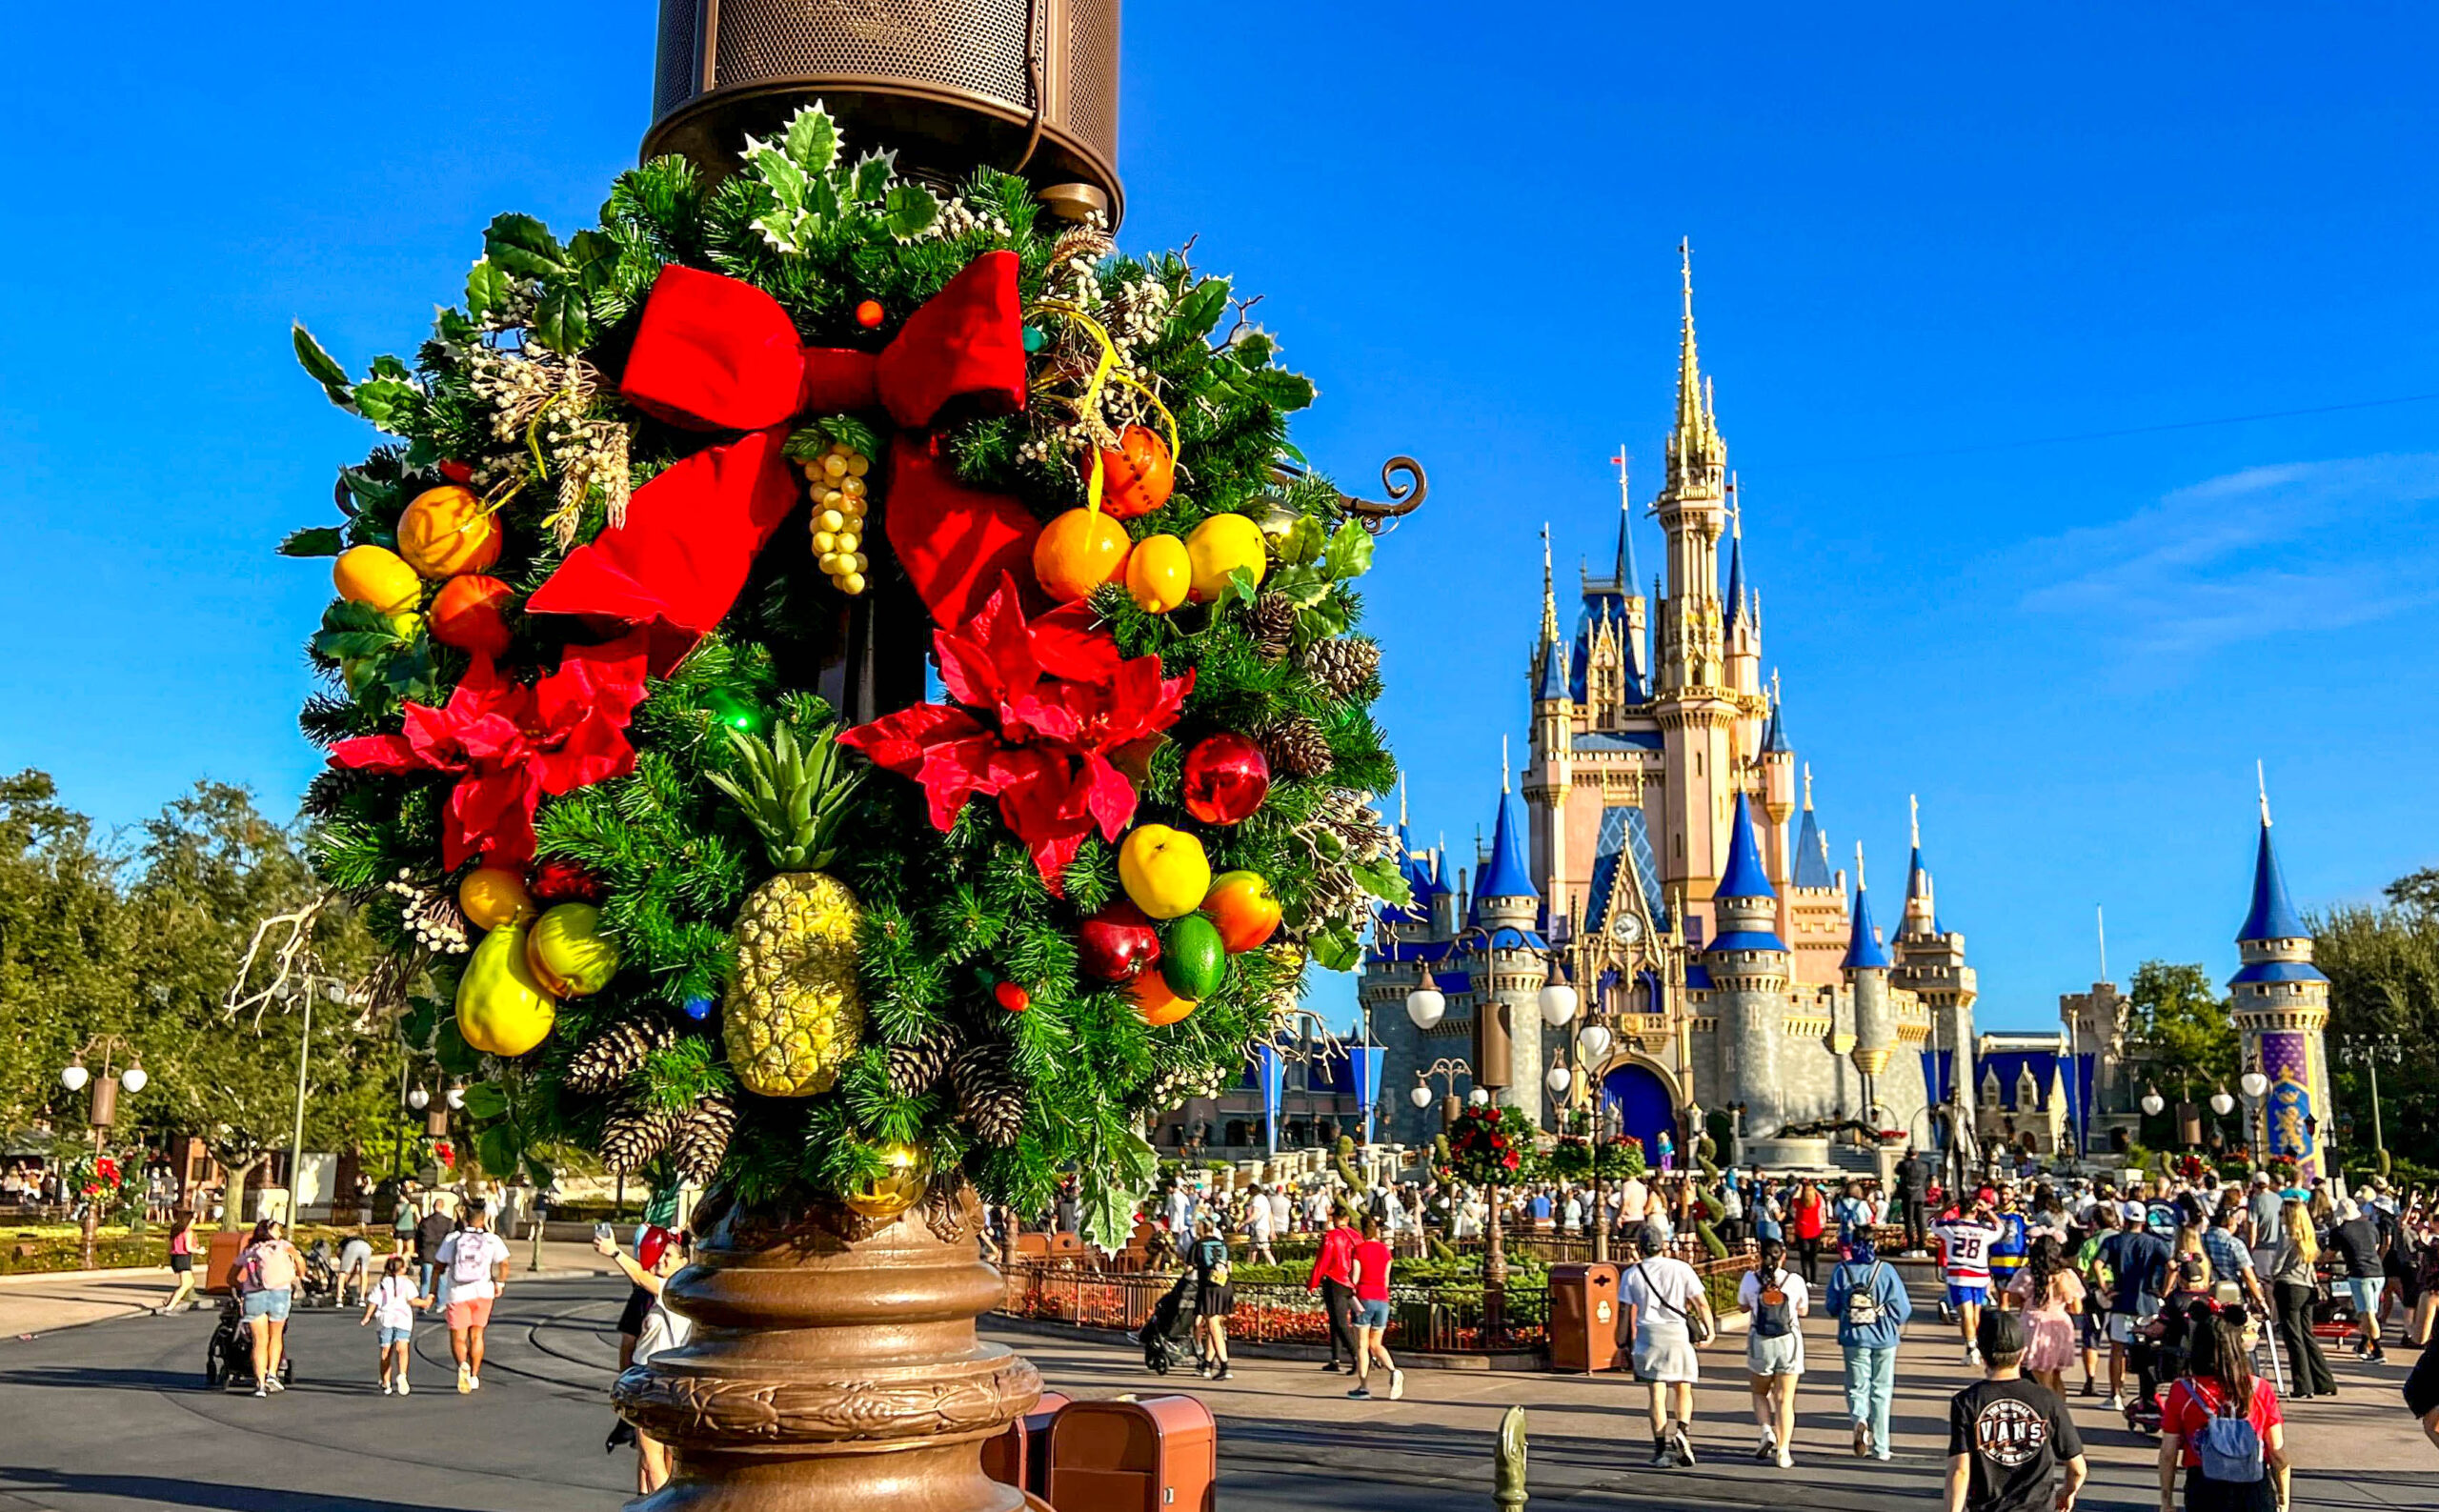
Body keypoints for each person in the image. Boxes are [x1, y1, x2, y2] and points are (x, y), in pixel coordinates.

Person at [1945, 1311, 2087, 1512]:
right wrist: (2067, 1491)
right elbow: (2077, 1468)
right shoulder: (2047, 1400)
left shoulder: (1967, 1402)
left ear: (1983, 1354)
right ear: (2023, 1353)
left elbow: (1960, 1470)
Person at [2158, 1312, 2288, 1512]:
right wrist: (2282, 1500)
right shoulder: (2258, 1388)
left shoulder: (2183, 1391)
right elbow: (2277, 1453)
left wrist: (2166, 1500)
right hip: (2253, 1485)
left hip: (2204, 1486)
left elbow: (2168, 1453)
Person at [595, 1228, 692, 1493]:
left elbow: (639, 1276)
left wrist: (614, 1252)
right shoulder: (684, 1293)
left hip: (658, 1378)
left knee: (656, 1455)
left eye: (669, 1256)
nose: (661, 1260)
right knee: (652, 1453)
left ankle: (663, 1505)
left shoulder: (674, 1290)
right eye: (660, 1255)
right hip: (660, 1376)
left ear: (685, 1263)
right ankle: (647, 1498)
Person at [1621, 1220, 1709, 1469]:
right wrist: (1708, 1330)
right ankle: (1682, 1432)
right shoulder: (1681, 1268)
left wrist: (1621, 1341)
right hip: (1677, 1333)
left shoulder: (1632, 1274)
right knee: (1683, 1388)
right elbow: (1701, 1303)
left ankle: (1659, 1451)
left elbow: (1625, 1312)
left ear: (1639, 1248)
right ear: (1663, 1246)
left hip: (1649, 1334)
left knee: (1656, 1394)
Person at [1827, 1232, 1911, 1461]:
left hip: (1853, 1336)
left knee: (1857, 1386)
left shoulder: (1841, 1270)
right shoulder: (1885, 1270)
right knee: (1882, 1390)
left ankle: (1860, 1420)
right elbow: (1903, 1310)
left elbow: (1831, 1306)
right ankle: (1881, 1447)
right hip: (1884, 1336)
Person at [1739, 1236, 1809, 1467]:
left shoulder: (1750, 1279)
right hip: (1789, 1342)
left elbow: (1742, 1306)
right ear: (1783, 1256)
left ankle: (1766, 1431)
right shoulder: (1794, 1280)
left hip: (1760, 1341)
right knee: (1784, 1399)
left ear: (1760, 1256)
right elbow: (1803, 1310)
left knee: (1759, 1392)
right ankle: (1784, 1451)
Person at [2099, 1202, 2171, 1409]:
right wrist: (2164, 1291)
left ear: (2125, 1219)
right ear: (2144, 1221)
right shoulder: (2154, 1243)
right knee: (2149, 1349)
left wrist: (2106, 1289)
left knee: (2117, 1349)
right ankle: (2148, 1394)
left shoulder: (2113, 1241)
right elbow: (2172, 1266)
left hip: (2122, 1301)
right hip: (2148, 1302)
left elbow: (2097, 1264)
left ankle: (2115, 1395)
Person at [435, 1200, 512, 1393]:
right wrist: (500, 1283)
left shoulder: (453, 1238)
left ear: (464, 1218)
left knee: (458, 1338)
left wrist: (431, 1291)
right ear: (484, 1218)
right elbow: (504, 1264)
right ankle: (475, 1376)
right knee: (477, 1336)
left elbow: (438, 1266)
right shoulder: (492, 1240)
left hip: (457, 1293)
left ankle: (462, 1364)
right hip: (483, 1292)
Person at [2267, 1199, 2337, 1398]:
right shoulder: (2308, 1238)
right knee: (2307, 1334)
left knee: (2293, 1337)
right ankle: (2324, 1381)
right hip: (2306, 1287)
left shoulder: (2288, 1237)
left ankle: (2303, 1385)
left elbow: (2277, 1266)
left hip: (2288, 1286)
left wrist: (2270, 1276)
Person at [2007, 1235, 2086, 1397]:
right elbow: (2077, 1308)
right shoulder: (2067, 1275)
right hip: (2060, 1324)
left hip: (2033, 1324)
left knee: (2041, 1378)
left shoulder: (2026, 1274)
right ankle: (2059, 1412)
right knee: (2056, 1376)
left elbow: (2013, 1300)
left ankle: (2049, 1414)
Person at [235, 1218, 303, 1399]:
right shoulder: (283, 1246)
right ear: (270, 1232)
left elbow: (232, 1276)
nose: (280, 1233)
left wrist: (242, 1288)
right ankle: (272, 1375)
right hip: (279, 1293)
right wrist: (301, 1275)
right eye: (277, 1229)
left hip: (254, 1295)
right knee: (276, 1336)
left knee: (259, 1341)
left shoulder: (251, 1250)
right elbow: (298, 1259)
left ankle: (260, 1384)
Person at [1344, 1215, 1404, 1401]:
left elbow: (1355, 1277)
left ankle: (1363, 1387)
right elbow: (1386, 1279)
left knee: (1362, 1345)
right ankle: (1394, 1370)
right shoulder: (1385, 1251)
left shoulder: (1359, 1250)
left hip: (1364, 1297)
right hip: (1382, 1298)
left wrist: (1349, 1295)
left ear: (1362, 1231)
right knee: (1376, 1344)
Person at [1936, 1200, 2004, 1365]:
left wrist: (1945, 1208)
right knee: (1975, 1313)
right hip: (1980, 1275)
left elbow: (1932, 1222)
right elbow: (2000, 1228)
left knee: (1966, 1313)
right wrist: (1988, 1211)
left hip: (1959, 1275)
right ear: (1975, 1212)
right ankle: (1974, 1345)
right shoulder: (1983, 1230)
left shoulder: (1951, 1228)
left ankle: (1972, 1347)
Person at [359, 1254, 430, 1395]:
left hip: (385, 1320)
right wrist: (425, 1302)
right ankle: (402, 1374)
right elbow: (412, 1301)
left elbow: (374, 1302)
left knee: (386, 1352)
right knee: (402, 1348)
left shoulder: (382, 1284)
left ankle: (386, 1382)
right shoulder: (407, 1283)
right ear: (402, 1269)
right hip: (403, 1319)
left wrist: (367, 1317)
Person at [2328, 1198, 2387, 1361]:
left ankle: (2377, 1350)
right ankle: (2363, 1344)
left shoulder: (2339, 1231)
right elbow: (2375, 1247)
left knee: (2368, 1313)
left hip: (2360, 1275)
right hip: (2378, 1273)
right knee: (2370, 1310)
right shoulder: (2370, 1226)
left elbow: (2328, 1255)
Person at [1307, 1210, 1362, 1374]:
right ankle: (1336, 1358)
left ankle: (1357, 1357)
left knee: (1339, 1322)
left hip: (1335, 1279)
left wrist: (1312, 1283)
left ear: (1336, 1218)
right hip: (1351, 1280)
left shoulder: (1332, 1236)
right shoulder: (1357, 1236)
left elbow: (1322, 1261)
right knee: (1338, 1321)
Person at [414, 1193, 457, 1312]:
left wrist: (419, 1252)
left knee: (426, 1281)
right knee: (442, 1280)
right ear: (442, 1207)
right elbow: (451, 1239)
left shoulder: (425, 1221)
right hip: (442, 1254)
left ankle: (424, 1304)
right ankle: (441, 1303)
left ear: (433, 1207)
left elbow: (417, 1238)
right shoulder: (448, 1222)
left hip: (427, 1253)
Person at [156, 1210, 199, 1316]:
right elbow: (188, 1247)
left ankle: (170, 1300)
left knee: (190, 1282)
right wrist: (199, 1251)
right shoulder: (188, 1232)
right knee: (185, 1284)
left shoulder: (176, 1231)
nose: (195, 1221)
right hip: (184, 1257)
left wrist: (164, 1260)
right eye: (193, 1219)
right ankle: (170, 1307)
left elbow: (170, 1246)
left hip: (176, 1257)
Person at [1790, 1179, 1827, 1285]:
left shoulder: (1799, 1203)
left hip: (1801, 1231)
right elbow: (1821, 1199)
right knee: (1813, 1256)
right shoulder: (1817, 1202)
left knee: (1803, 1256)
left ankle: (1806, 1279)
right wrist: (1814, 1189)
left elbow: (1794, 1198)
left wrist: (1800, 1189)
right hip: (1815, 1231)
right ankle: (1814, 1279)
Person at [1897, 1147, 1933, 1254]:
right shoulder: (1924, 1166)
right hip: (1920, 1194)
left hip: (1908, 1195)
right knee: (1920, 1221)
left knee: (1909, 1221)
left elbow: (1897, 1171)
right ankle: (1921, 1246)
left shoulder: (1903, 1165)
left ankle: (1911, 1246)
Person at [335, 1228, 375, 1307]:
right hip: (366, 1247)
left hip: (352, 1248)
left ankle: (339, 1299)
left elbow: (338, 1252)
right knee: (364, 1272)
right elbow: (355, 1269)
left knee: (342, 1273)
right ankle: (362, 1299)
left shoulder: (345, 1241)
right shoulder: (362, 1239)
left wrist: (342, 1263)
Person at [1244, 1185, 1277, 1266]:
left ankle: (1273, 1265)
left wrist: (1243, 1223)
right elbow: (1270, 1215)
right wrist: (1272, 1230)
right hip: (1264, 1227)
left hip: (1260, 1227)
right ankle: (1250, 1265)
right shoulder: (1264, 1199)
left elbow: (1255, 1214)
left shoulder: (1256, 1199)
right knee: (1252, 1249)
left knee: (1265, 1249)